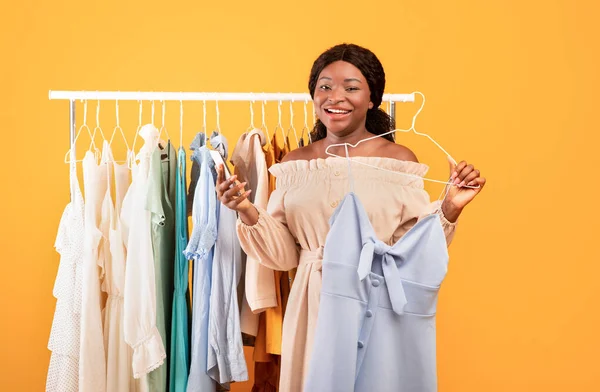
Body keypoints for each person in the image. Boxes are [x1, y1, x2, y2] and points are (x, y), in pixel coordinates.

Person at [216, 43, 486, 392]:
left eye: (351, 87)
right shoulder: (294, 164)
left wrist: (450, 206)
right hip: (313, 301)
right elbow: (283, 256)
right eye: (324, 86)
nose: (335, 96)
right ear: (313, 95)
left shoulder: (396, 158)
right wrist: (247, 210)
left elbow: (413, 251)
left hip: (376, 299)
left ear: (372, 98)